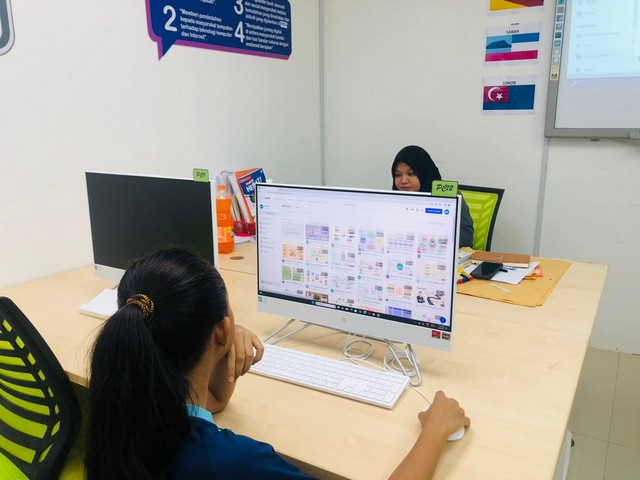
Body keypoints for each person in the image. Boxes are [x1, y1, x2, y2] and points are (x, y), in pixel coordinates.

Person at [85, 248, 469, 480]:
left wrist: (222, 344)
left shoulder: (128, 398)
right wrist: (435, 431)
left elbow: (212, 401)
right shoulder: (234, 462)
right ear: (221, 330)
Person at [392, 145, 475, 248]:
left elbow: (466, 236)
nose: (403, 181)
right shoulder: (393, 199)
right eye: (398, 175)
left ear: (424, 172)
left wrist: (431, 243)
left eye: (411, 174)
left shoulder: (447, 196)